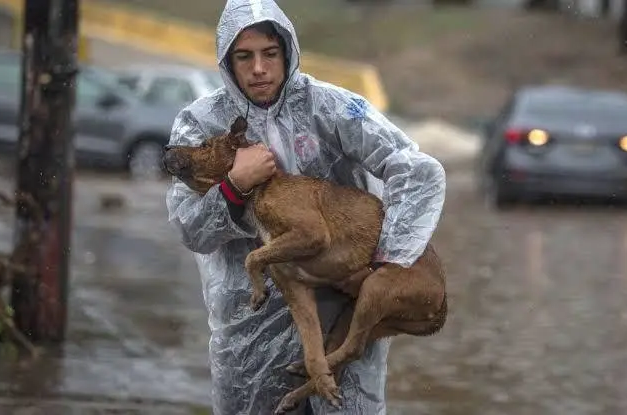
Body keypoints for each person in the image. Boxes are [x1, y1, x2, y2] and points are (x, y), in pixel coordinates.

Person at [165, 0, 446, 413]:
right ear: (227, 61)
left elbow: (417, 171)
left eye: (269, 54)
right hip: (249, 324)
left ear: (287, 52)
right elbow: (190, 230)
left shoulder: (332, 107)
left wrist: (388, 261)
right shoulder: (203, 123)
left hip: (340, 307)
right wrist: (235, 184)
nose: (258, 68)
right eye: (244, 56)